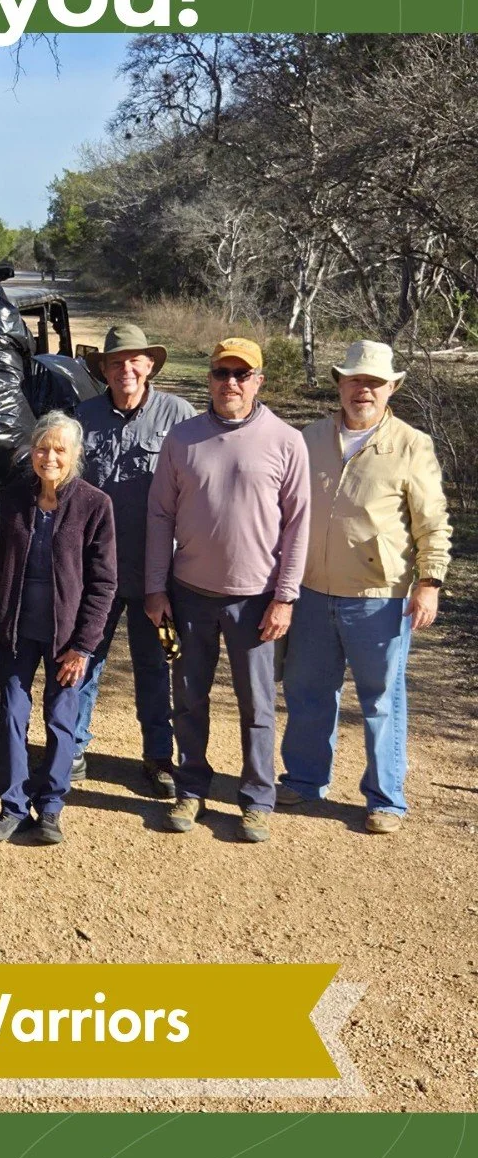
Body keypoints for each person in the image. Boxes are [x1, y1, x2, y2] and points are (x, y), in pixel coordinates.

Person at [278, 341, 451, 833]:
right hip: (311, 591)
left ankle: (385, 799)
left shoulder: (412, 444)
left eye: (374, 383)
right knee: (309, 691)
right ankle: (306, 780)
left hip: (380, 597)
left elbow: (432, 523)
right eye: (355, 380)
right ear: (339, 384)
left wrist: (430, 582)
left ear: (392, 387)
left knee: (381, 700)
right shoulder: (308, 438)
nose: (363, 391)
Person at [145, 338, 310, 843]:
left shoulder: (286, 441)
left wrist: (285, 597)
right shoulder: (183, 438)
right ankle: (191, 786)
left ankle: (257, 796)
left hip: (256, 599)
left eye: (242, 374)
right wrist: (155, 587)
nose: (230, 383)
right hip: (190, 591)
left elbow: (298, 525)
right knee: (189, 697)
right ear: (210, 378)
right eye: (222, 373)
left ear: (259, 380)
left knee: (257, 705)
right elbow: (159, 514)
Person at [0, 413, 117, 845]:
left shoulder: (95, 504)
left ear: (75, 456)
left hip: (67, 640)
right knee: (11, 717)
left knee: (61, 720)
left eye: (60, 449)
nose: (50, 457)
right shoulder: (13, 499)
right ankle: (13, 806)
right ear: (31, 452)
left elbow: (103, 582)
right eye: (43, 448)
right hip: (15, 631)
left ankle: (52, 807)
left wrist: (84, 645)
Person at [74, 323, 196, 797]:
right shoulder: (83, 417)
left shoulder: (178, 416)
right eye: (116, 362)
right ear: (103, 369)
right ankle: (73, 748)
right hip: (94, 569)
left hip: (156, 573)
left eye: (135, 361)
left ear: (149, 366)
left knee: (154, 662)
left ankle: (158, 755)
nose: (126, 369)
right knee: (84, 657)